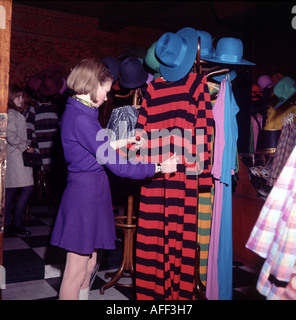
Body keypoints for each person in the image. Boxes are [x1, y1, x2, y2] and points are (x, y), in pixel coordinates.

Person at [50, 58, 178, 300]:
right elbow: (119, 167)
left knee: (89, 264)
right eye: (105, 91)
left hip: (92, 192)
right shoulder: (81, 118)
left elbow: (93, 148)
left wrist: (122, 141)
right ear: (91, 85)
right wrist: (159, 166)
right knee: (75, 272)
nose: (107, 97)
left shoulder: (81, 111)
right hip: (84, 197)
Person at [4, 84, 34, 236]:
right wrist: (25, 146)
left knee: (11, 189)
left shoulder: (16, 113)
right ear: (10, 97)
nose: (21, 99)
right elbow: (11, 136)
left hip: (17, 156)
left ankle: (8, 222)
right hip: (16, 157)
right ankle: (15, 223)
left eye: (22, 97)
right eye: (18, 96)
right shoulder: (11, 113)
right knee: (26, 188)